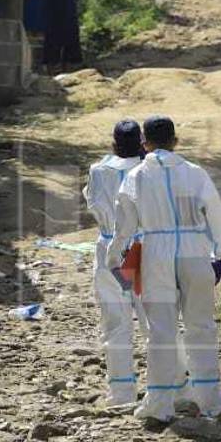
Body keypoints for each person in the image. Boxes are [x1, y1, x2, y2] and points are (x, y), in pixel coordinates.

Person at [106, 116, 221, 423]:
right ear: (176, 141)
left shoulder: (135, 177)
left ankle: (160, 403)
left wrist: (115, 257)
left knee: (161, 331)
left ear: (144, 144)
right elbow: (215, 213)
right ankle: (211, 400)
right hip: (194, 251)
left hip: (156, 254)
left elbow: (124, 226)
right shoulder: (195, 173)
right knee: (201, 326)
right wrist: (219, 252)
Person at [83, 120, 147, 406]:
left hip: (110, 249)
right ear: (143, 143)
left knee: (116, 321)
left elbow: (90, 201)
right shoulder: (149, 171)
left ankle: (121, 392)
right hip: (144, 249)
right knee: (156, 321)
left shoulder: (98, 170)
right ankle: (174, 386)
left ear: (113, 144)